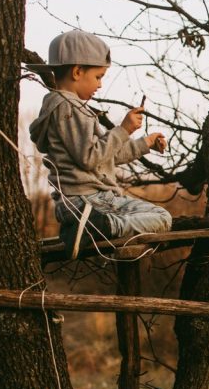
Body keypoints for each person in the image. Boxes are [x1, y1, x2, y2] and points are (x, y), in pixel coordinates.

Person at [27, 30, 172, 257]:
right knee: (162, 219)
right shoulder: (70, 108)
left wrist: (146, 143)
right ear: (77, 72)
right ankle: (99, 227)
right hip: (87, 203)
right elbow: (90, 158)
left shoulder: (68, 108)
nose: (100, 85)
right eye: (98, 77)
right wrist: (123, 129)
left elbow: (106, 156)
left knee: (158, 217)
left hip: (84, 204)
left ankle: (97, 226)